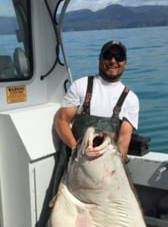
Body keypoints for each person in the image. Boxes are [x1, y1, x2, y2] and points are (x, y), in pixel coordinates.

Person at [51, 40, 139, 193]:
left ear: (124, 62)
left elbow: (124, 141)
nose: (113, 61)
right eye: (108, 55)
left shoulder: (130, 98)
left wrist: (112, 174)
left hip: (106, 170)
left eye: (118, 57)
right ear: (100, 59)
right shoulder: (81, 85)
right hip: (74, 166)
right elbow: (61, 121)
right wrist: (77, 151)